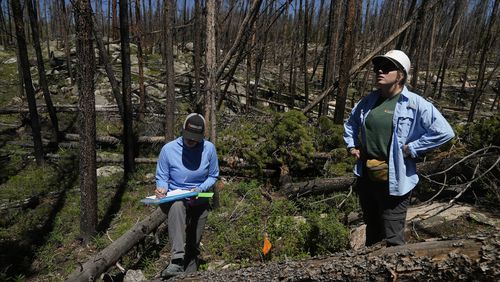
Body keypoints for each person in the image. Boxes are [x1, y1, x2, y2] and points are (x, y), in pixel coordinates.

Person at [343, 50, 454, 246]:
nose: (379, 71)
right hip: (367, 176)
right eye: (377, 68)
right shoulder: (369, 101)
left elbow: (444, 131)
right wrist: (352, 146)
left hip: (395, 178)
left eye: (387, 68)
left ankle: (398, 269)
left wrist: (412, 148)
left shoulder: (414, 103)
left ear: (401, 75)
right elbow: (351, 123)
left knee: (393, 235)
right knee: (373, 229)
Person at [155, 113, 219, 278]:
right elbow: (162, 176)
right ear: (183, 131)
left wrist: (200, 188)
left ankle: (190, 275)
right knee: (177, 207)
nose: (191, 141)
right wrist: (161, 188)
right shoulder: (168, 150)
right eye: (188, 137)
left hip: (200, 197)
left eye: (195, 138)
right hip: (176, 196)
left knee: (193, 242)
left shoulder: (209, 149)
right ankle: (176, 260)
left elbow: (213, 175)